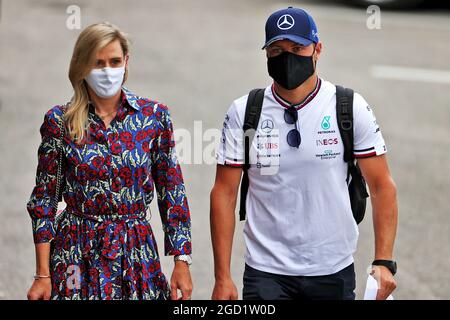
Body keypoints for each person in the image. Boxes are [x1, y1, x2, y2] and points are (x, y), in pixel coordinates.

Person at [210, 7, 398, 300]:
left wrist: (384, 261)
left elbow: (382, 185)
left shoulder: (349, 107)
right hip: (265, 273)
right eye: (277, 50)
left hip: (332, 270)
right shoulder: (245, 112)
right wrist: (222, 277)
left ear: (317, 49)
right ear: (266, 54)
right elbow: (223, 193)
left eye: (297, 48)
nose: (287, 57)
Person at [26, 22, 192, 300]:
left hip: (136, 250)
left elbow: (172, 192)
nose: (107, 70)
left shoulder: (153, 117)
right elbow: (44, 201)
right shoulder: (60, 121)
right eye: (97, 63)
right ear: (82, 66)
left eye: (114, 61)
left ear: (126, 61)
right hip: (75, 254)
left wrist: (181, 261)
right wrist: (42, 276)